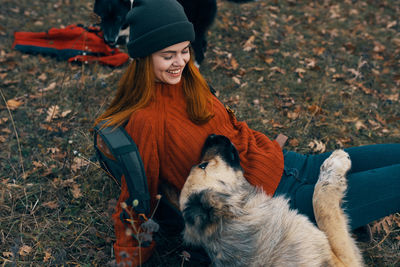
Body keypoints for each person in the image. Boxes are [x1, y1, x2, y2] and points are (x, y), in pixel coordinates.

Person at [94, 0, 400, 265]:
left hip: (294, 164)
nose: (180, 62)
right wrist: (127, 256)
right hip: (279, 208)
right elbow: (136, 198)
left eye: (184, 51)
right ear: (145, 57)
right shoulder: (147, 119)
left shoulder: (189, 81)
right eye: (167, 55)